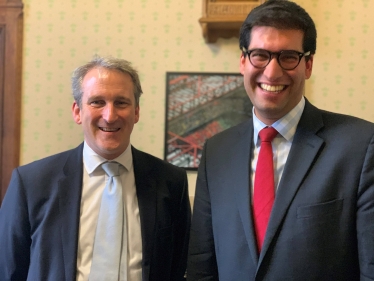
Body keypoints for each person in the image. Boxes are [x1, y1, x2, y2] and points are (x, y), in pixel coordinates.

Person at [187, 1, 374, 280]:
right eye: (260, 55)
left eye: (288, 56)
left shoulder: (360, 146)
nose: (272, 72)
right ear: (242, 61)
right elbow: (202, 265)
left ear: (308, 65)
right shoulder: (216, 151)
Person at [0, 55, 191, 281]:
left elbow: (178, 268)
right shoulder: (31, 183)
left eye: (121, 102)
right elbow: (9, 270)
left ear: (136, 112)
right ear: (77, 111)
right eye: (97, 102)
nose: (109, 116)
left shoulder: (171, 182)